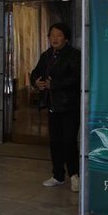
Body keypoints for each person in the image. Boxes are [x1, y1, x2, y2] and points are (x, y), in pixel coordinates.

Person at [30, 22, 81, 192]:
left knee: (69, 141)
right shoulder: (47, 55)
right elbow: (35, 73)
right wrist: (36, 82)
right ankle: (58, 175)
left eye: (59, 35)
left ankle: (74, 175)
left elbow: (77, 78)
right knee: (55, 142)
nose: (55, 38)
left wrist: (56, 84)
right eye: (52, 35)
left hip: (69, 106)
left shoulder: (74, 55)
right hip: (53, 105)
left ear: (66, 38)